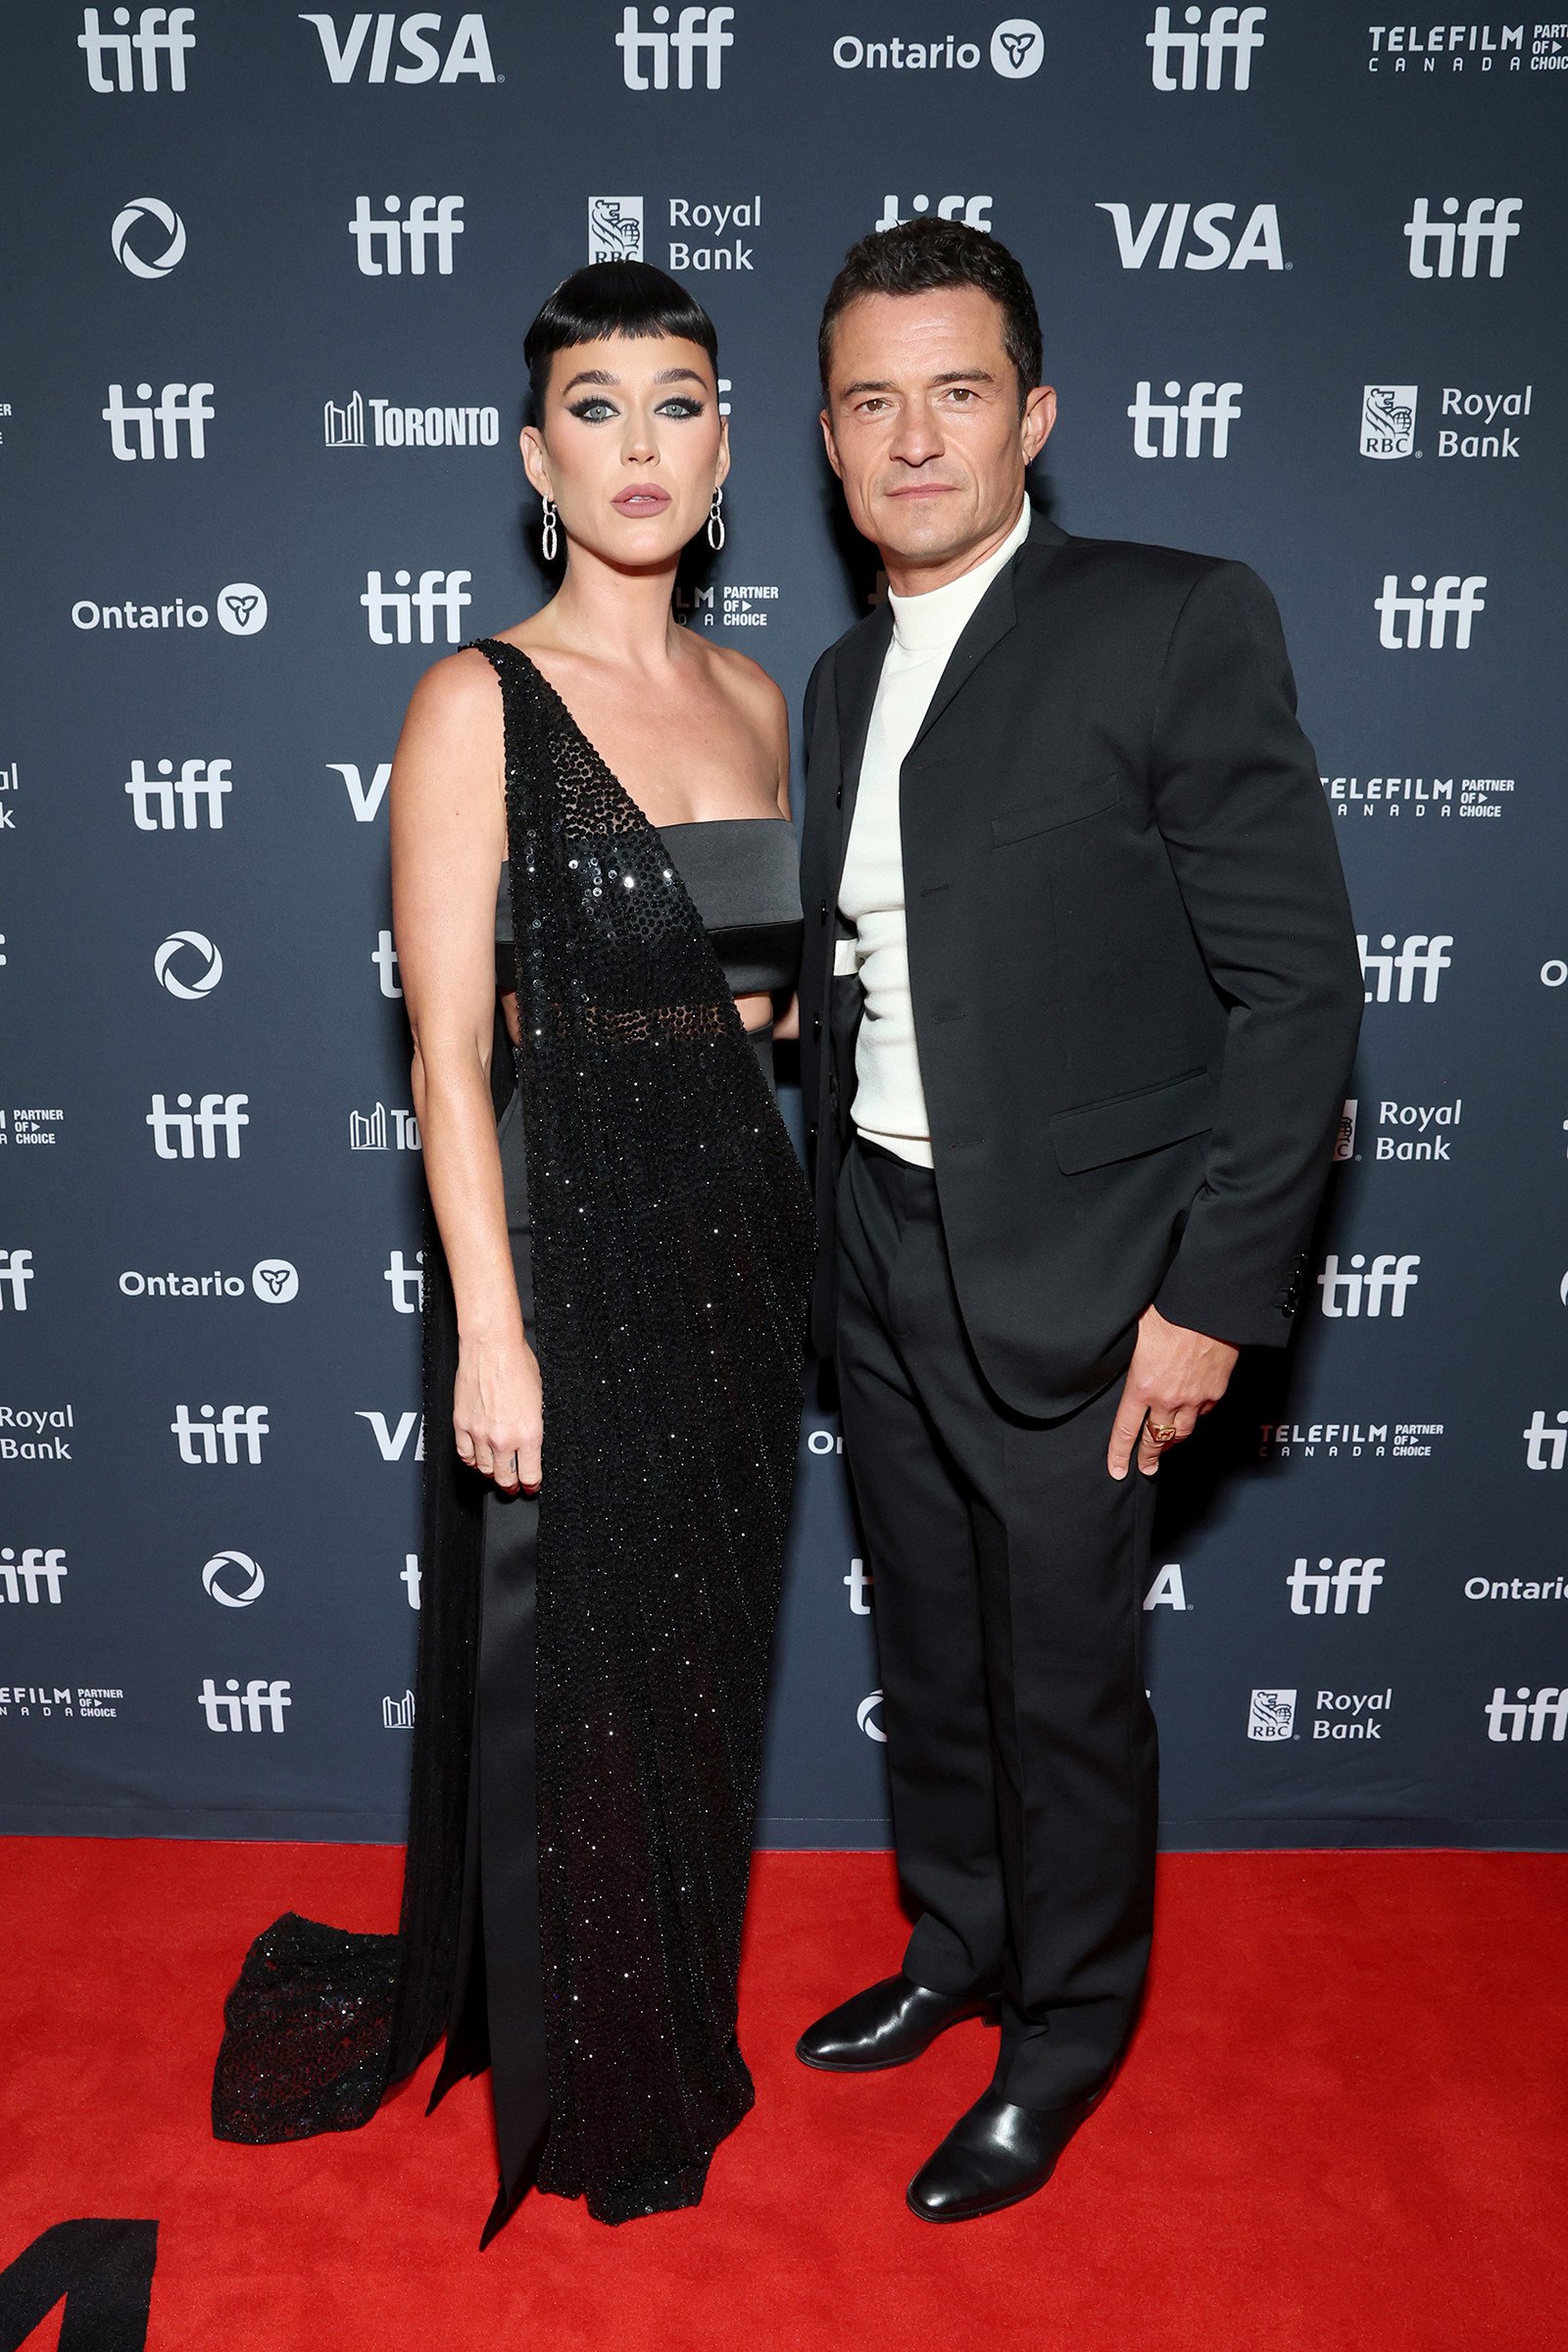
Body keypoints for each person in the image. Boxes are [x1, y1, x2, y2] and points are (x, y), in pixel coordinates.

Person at [212, 262, 814, 2240]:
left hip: (738, 1245)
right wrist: (491, 1325)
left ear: (723, 449)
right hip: (561, 1246)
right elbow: (449, 1055)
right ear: (534, 458)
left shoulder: (756, 699)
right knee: (581, 1660)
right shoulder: (473, 700)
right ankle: (594, 2062)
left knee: (702, 1660)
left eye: (675, 403)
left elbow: (765, 1015)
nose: (637, 445)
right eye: (594, 408)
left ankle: (669, 2005)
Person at [794, 220, 1363, 2223]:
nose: (913, 438)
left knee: (1059, 1685)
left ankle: (1068, 2030)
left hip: (1091, 1276)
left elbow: (1296, 989)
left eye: (955, 392)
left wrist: (1211, 1297)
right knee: (935, 1658)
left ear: (1032, 415)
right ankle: (957, 1946)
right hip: (877, 1243)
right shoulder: (838, 678)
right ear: (828, 437)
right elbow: (883, 967)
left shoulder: (1171, 618)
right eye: (871, 400)